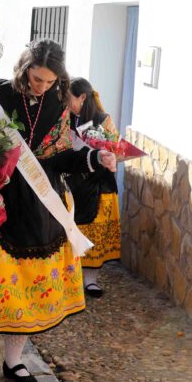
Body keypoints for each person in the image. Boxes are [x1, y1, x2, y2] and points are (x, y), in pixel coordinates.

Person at [0, 40, 116, 382]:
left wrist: (94, 159)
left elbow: (62, 157)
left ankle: (14, 360)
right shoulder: (0, 96)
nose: (42, 86)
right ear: (24, 70)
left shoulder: (59, 102)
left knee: (25, 288)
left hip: (43, 206)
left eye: (50, 81)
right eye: (37, 79)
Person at [66, 78, 121, 298]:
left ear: (82, 97)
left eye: (69, 98)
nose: (67, 103)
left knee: (95, 231)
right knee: (72, 229)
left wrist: (106, 155)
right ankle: (70, 276)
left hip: (99, 184)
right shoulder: (64, 119)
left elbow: (115, 147)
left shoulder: (103, 120)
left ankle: (91, 280)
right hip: (73, 181)